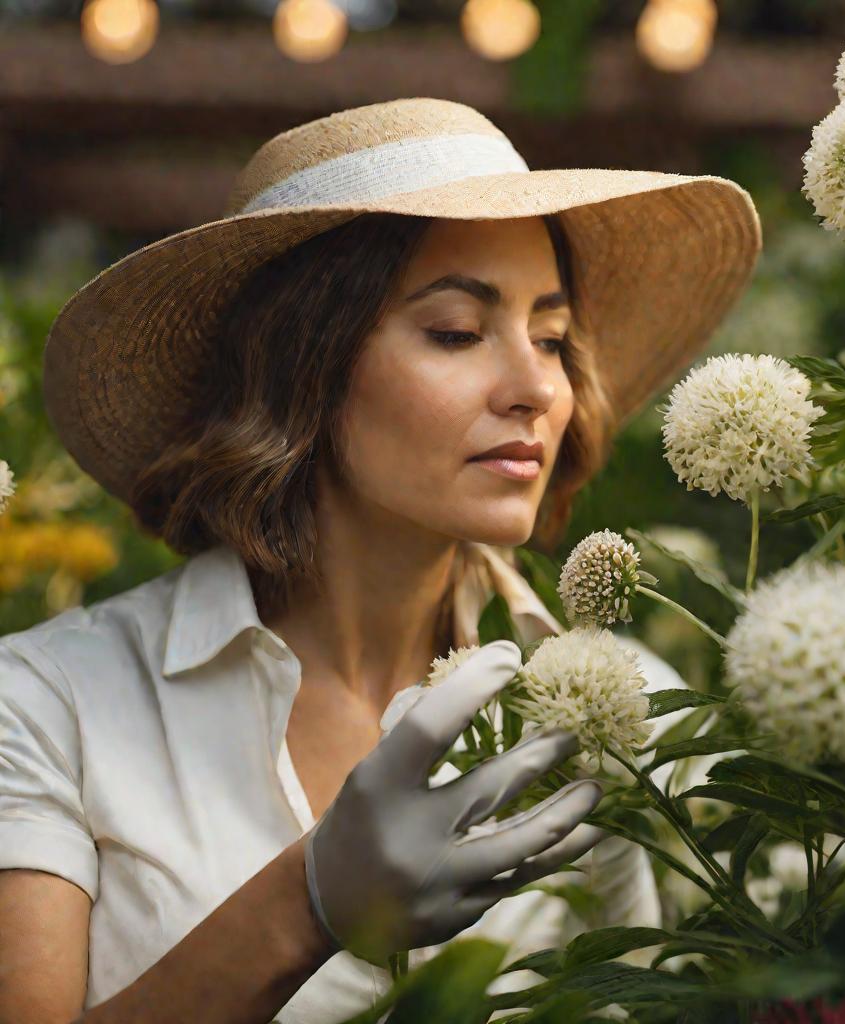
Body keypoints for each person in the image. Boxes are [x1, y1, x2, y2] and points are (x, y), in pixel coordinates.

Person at [0, 97, 761, 1023]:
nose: (534, 389)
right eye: (455, 331)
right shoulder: (50, 704)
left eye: (553, 340)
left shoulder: (611, 707)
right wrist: (304, 906)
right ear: (300, 364)